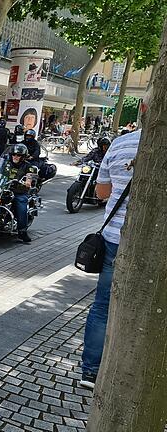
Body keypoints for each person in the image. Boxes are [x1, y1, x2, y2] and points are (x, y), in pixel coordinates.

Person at [79, 114, 143, 389]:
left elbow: (103, 191)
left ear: (142, 107)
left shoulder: (120, 144)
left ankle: (90, 372)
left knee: (103, 306)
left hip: (115, 237)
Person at [2, 144, 38, 243]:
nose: (15, 157)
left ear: (23, 157)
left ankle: (22, 231)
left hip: (19, 191)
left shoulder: (27, 166)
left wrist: (28, 181)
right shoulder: (6, 163)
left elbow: (29, 176)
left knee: (22, 205)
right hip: (3, 189)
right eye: (13, 154)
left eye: (18, 155)